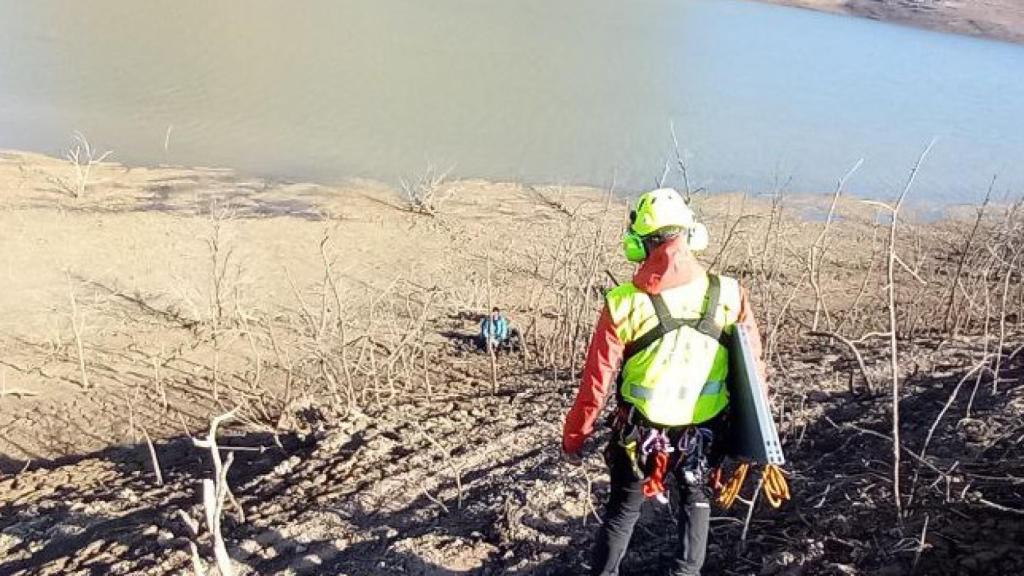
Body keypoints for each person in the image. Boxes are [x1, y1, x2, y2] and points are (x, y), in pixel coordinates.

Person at [561, 188, 766, 576]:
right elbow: (753, 371)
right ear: (692, 235)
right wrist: (753, 438)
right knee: (696, 504)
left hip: (638, 438)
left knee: (622, 512)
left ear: (638, 244)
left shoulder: (623, 302)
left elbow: (595, 385)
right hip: (704, 435)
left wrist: (575, 437)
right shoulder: (730, 293)